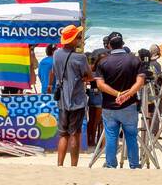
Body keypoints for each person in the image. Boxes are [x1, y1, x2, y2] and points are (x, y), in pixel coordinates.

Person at [94, 33, 143, 169]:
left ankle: (110, 164)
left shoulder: (103, 62)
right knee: (131, 136)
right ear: (123, 44)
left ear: (109, 45)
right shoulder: (134, 60)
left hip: (109, 106)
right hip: (129, 105)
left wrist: (117, 94)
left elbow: (100, 85)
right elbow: (140, 81)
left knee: (111, 137)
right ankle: (134, 164)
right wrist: (127, 94)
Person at [48, 25, 91, 167]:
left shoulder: (56, 54)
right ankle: (74, 166)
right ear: (72, 40)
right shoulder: (80, 57)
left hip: (62, 101)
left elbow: (54, 72)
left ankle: (59, 164)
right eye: (78, 37)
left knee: (63, 134)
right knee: (75, 134)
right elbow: (89, 76)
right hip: (76, 100)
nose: (79, 39)